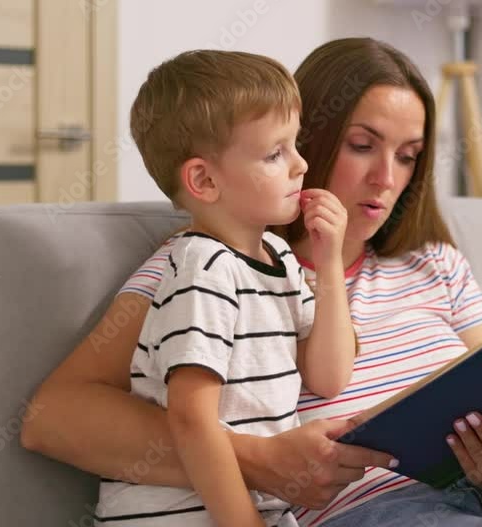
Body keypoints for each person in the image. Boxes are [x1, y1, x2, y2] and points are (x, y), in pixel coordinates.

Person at [22, 38, 482, 527]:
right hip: (378, 510)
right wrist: (263, 461)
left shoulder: (436, 264)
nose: (385, 179)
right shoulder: (212, 261)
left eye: (407, 156)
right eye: (363, 146)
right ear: (305, 136)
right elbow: (53, 416)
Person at [93, 50, 357, 526]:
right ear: (204, 179)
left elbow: (329, 377)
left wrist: (330, 262)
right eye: (275, 153)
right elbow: (191, 420)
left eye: (294, 145)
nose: (300, 165)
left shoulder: (279, 262)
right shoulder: (202, 267)